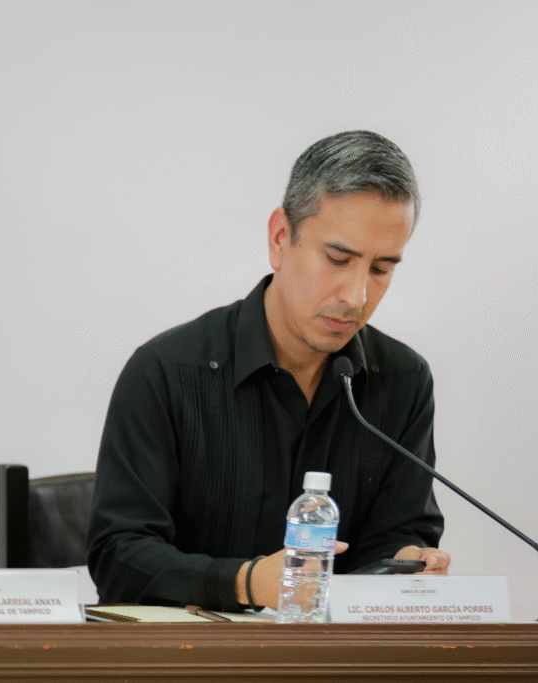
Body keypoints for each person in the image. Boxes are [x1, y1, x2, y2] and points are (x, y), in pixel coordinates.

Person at [87, 131, 451, 612]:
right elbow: (118, 556)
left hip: (335, 654)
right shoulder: (166, 372)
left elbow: (396, 535)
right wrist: (246, 582)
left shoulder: (404, 380)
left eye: (381, 269)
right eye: (338, 259)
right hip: (192, 653)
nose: (356, 296)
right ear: (281, 238)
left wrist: (404, 563)